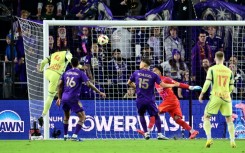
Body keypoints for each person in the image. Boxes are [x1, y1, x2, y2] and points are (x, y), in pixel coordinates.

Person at [137, 65, 201, 139]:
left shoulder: (165, 79)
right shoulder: (154, 82)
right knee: (177, 119)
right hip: (171, 101)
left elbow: (177, 84)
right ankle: (193, 131)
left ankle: (147, 132)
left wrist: (190, 87)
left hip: (171, 100)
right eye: (152, 71)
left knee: (155, 113)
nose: (153, 72)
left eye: (155, 70)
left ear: (160, 71)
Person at [127, 58, 179, 140]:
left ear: (144, 65)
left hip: (139, 99)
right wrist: (173, 85)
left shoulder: (136, 73)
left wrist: (137, 88)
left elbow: (128, 82)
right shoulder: (153, 75)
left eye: (141, 63)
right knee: (156, 115)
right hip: (150, 100)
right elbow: (163, 85)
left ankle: (146, 133)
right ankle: (159, 134)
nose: (139, 64)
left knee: (141, 115)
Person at [56, 57, 106, 141]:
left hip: (64, 97)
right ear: (78, 63)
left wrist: (59, 97)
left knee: (66, 116)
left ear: (71, 64)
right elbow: (89, 84)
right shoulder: (80, 73)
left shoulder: (66, 73)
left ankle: (65, 136)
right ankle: (75, 136)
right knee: (83, 117)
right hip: (73, 98)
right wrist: (99, 92)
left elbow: (59, 85)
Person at [198, 51, 236, 148]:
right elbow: (232, 87)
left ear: (215, 59)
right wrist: (227, 92)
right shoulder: (229, 71)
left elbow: (207, 83)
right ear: (223, 59)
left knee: (206, 117)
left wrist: (202, 94)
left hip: (215, 96)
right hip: (226, 97)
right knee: (229, 119)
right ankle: (232, 140)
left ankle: (209, 138)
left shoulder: (212, 69)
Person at [37, 50, 82, 126]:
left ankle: (43, 115)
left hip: (47, 73)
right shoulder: (67, 53)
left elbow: (44, 62)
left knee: (51, 95)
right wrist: (80, 66)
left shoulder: (53, 54)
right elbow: (70, 59)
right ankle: (59, 98)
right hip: (56, 74)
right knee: (63, 88)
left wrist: (41, 69)